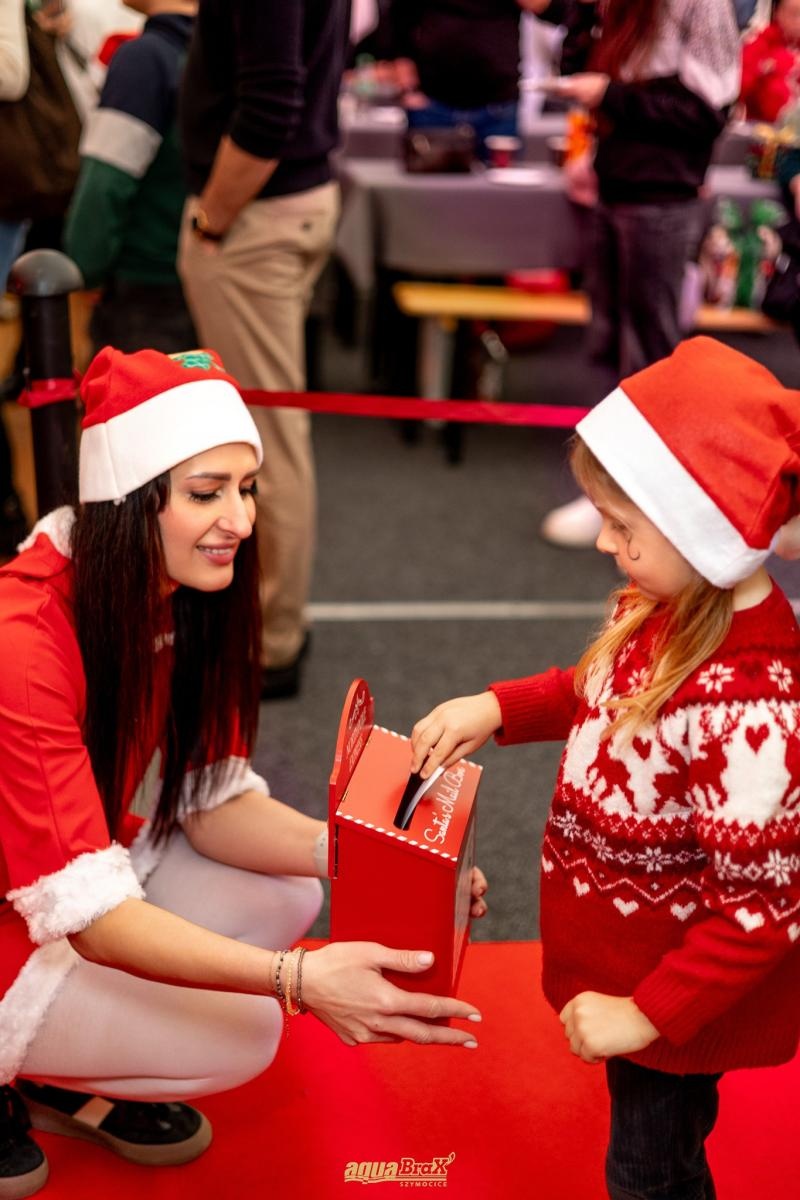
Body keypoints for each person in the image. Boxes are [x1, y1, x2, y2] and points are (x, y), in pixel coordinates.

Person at [0, 346, 487, 1200]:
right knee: (248, 1033)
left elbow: (211, 804)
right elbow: (91, 916)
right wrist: (296, 981)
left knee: (290, 894)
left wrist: (390, 858)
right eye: (205, 492)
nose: (240, 518)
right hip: (32, 914)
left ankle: (52, 1071)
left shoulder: (181, 586)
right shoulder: (23, 640)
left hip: (49, 887)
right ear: (128, 502)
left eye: (245, 487)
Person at [409, 337, 800, 1200]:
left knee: (649, 1171)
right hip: (636, 968)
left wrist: (645, 1014)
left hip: (673, 999)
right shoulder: (665, 605)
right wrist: (499, 708)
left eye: (623, 528)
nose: (602, 546)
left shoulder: (745, 701)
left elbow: (762, 910)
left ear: (709, 531)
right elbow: (596, 690)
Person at [177, 0, 350, 701]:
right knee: (266, 428)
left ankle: (272, 639)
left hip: (255, 217)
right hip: (281, 207)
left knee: (266, 438)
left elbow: (271, 105)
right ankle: (267, 627)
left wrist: (212, 219)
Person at [538, 0, 741, 548]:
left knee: (649, 353)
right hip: (616, 186)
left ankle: (647, 502)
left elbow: (707, 114)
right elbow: (579, 63)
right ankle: (617, 493)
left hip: (661, 196)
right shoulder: (620, 11)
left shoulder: (699, 8)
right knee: (610, 344)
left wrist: (612, 96)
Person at [64, 0, 198, 356]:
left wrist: (82, 265)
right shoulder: (220, 52)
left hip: (145, 282)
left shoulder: (146, 58)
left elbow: (106, 179)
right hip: (202, 270)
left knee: (134, 406)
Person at [377, 1, 568, 158]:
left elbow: (558, 12)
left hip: (498, 105)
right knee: (430, 197)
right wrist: (409, 89)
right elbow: (397, 22)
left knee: (500, 198)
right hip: (433, 103)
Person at [741, 0, 800, 122]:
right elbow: (739, 87)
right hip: (762, 130)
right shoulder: (761, 44)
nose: (798, 22)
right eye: (794, 14)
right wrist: (767, 68)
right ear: (777, 13)